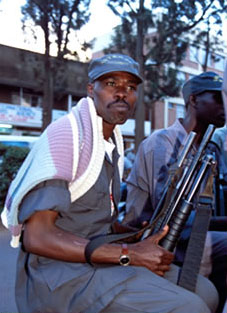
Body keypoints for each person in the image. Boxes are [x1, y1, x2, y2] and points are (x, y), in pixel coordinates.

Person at [1, 55, 218, 313]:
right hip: (59, 276)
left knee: (207, 292)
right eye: (111, 83)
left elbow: (93, 217)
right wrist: (130, 253)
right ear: (92, 89)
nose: (122, 93)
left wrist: (132, 233)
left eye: (130, 87)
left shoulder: (110, 145)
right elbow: (37, 237)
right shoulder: (67, 137)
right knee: (190, 307)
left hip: (102, 260)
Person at [124, 71, 227, 313]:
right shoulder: (165, 143)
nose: (225, 105)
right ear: (193, 100)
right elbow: (173, 217)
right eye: (218, 98)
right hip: (158, 243)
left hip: (189, 237)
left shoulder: (207, 146)